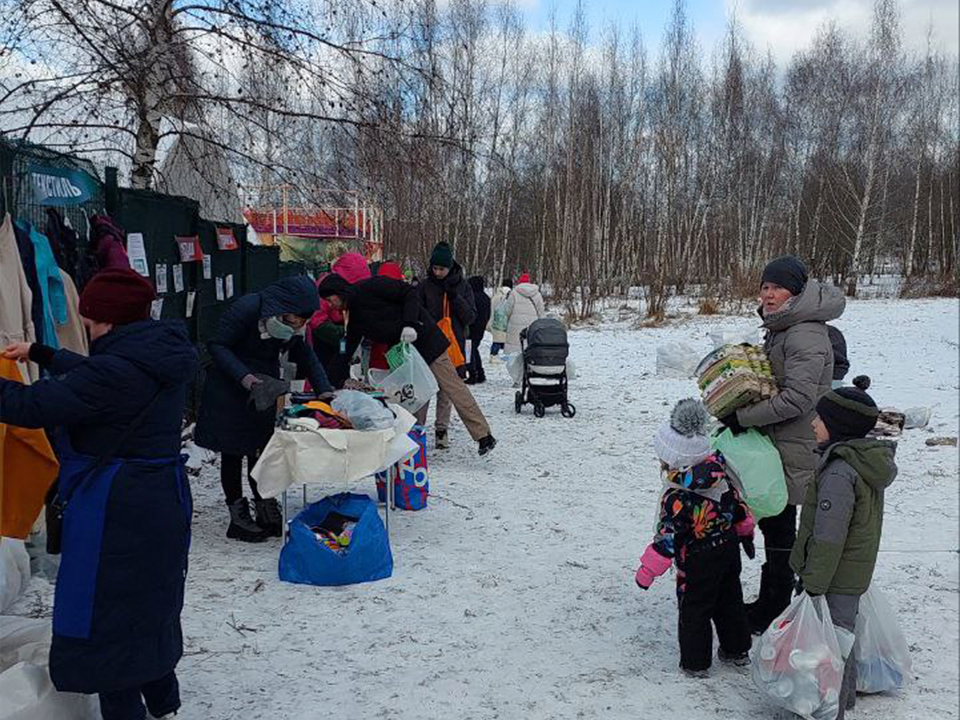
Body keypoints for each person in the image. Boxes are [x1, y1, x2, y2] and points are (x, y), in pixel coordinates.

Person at [0, 268, 197, 720]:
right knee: (151, 602)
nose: (84, 328)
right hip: (161, 499)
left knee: (108, 615)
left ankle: (124, 711)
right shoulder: (162, 352)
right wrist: (42, 352)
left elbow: (29, 407)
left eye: (88, 321)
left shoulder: (114, 373)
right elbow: (106, 373)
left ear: (106, 320)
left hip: (117, 506)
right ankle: (164, 700)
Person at [720, 255, 845, 633]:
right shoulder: (783, 326)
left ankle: (775, 604)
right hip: (777, 440)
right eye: (765, 287)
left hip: (794, 443)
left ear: (796, 291)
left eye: (777, 287)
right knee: (776, 521)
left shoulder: (804, 331)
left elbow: (798, 399)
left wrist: (741, 417)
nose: (769, 295)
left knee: (780, 524)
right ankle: (773, 598)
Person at [194, 276, 332, 542]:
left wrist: (324, 389)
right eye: (294, 320)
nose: (297, 326)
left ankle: (265, 505)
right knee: (233, 452)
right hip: (230, 386)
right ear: (281, 308)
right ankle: (237, 515)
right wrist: (246, 378)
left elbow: (305, 354)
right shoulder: (248, 308)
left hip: (264, 389)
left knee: (261, 449)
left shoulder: (288, 326)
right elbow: (218, 345)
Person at [790, 377, 896, 720]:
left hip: (834, 577)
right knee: (842, 641)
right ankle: (843, 698)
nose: (813, 423)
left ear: (836, 427)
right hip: (851, 573)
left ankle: (827, 709)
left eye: (819, 419)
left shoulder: (839, 473)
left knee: (828, 648)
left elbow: (829, 537)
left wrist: (813, 583)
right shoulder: (861, 461)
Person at [634, 399, 755, 677]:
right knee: (730, 601)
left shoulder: (676, 496)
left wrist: (648, 571)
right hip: (727, 550)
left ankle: (696, 663)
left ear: (674, 459)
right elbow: (738, 506)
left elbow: (667, 539)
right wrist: (745, 531)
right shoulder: (720, 473)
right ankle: (737, 650)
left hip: (697, 559)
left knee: (695, 610)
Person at [317, 272, 497, 456]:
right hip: (403, 354)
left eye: (331, 300)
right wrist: (328, 382)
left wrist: (409, 324)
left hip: (425, 340)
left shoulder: (371, 286)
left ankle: (483, 435)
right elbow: (345, 349)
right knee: (410, 397)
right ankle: (413, 440)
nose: (331, 305)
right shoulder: (353, 317)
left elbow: (408, 292)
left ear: (340, 291)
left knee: (452, 386)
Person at [307, 253, 371, 374]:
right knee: (325, 366)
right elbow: (317, 320)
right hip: (325, 333)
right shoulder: (326, 287)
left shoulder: (351, 291)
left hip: (342, 330)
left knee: (343, 362)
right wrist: (342, 332)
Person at [503, 272, 545, 355]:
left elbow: (507, 310)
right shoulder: (537, 294)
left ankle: (516, 366)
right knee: (529, 347)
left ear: (519, 282)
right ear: (529, 282)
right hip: (532, 325)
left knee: (515, 350)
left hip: (515, 324)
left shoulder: (513, 293)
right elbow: (541, 312)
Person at [465, 275, 491, 384]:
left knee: (469, 350)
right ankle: (480, 373)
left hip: (471, 327)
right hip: (481, 327)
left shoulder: (472, 297)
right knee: (474, 349)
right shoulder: (485, 297)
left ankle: (473, 374)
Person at [488, 278, 512, 357]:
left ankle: (493, 355)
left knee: (496, 341)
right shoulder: (511, 296)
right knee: (507, 341)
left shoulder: (496, 295)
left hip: (496, 323)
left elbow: (491, 308)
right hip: (507, 323)